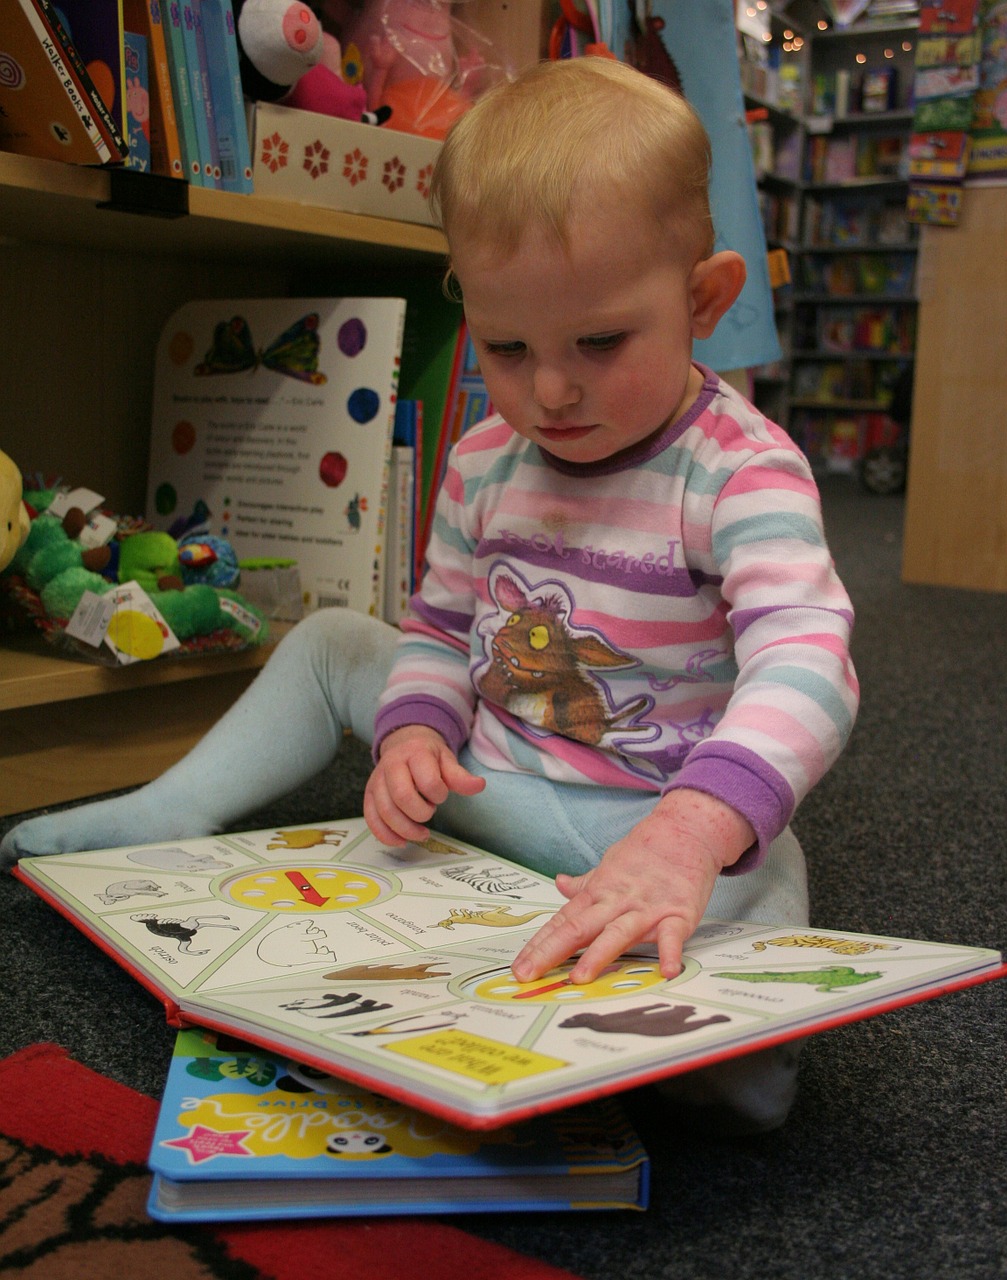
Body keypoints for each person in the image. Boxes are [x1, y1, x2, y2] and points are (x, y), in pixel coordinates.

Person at [2, 57, 857, 1132]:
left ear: (700, 299)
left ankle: (718, 1036)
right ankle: (177, 803)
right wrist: (414, 726)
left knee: (758, 863)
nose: (550, 389)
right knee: (327, 642)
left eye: (599, 341)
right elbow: (441, 626)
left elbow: (806, 657)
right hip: (490, 784)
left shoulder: (738, 469)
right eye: (506, 346)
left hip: (651, 818)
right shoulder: (489, 457)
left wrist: (691, 829)